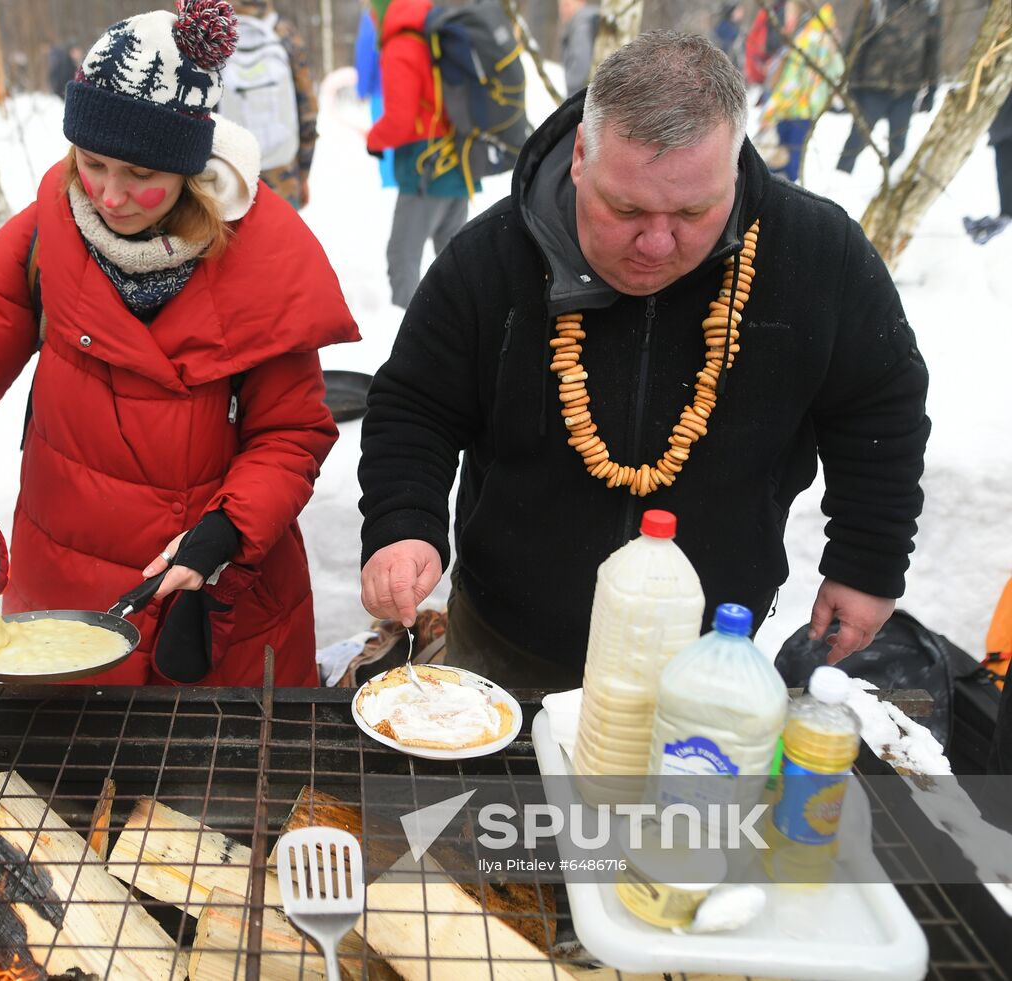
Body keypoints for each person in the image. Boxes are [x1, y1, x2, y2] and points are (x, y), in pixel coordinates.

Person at [357, 31, 930, 688]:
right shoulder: (489, 257)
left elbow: (880, 408)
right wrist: (404, 523)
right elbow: (415, 405)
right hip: (505, 647)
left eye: (693, 210)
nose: (657, 244)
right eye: (625, 208)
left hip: (709, 659)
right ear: (579, 157)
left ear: (736, 163)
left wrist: (868, 563)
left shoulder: (818, 256)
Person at [0, 2, 359, 687]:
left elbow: (291, 435)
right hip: (68, 577)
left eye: (141, 174)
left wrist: (226, 532)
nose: (110, 196)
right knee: (67, 783)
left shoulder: (261, 257)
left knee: (216, 785)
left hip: (213, 585)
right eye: (93, 162)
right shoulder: (50, 220)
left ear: (189, 168)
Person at [367, 0, 476, 308]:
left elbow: (400, 121)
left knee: (402, 256)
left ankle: (412, 340)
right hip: (456, 159)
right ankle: (463, 333)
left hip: (425, 165)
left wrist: (375, 139)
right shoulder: (433, 34)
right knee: (455, 256)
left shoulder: (402, 46)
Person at [227, 1, 318, 209]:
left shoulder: (207, 34)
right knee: (283, 240)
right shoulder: (283, 32)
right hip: (283, 178)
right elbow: (308, 110)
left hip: (227, 180)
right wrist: (302, 173)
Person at [835, 0, 941, 174]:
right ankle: (837, 181)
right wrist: (851, 82)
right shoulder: (877, 4)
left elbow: (933, 51)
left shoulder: (928, 7)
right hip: (873, 85)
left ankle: (889, 192)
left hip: (908, 89)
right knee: (857, 138)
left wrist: (932, 89)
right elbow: (857, 43)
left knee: (898, 145)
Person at [757, 3, 844, 182]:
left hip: (789, 106)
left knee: (780, 156)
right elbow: (838, 70)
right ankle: (779, 195)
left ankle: (770, 197)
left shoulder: (805, 37)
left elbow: (790, 79)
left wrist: (771, 108)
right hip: (806, 108)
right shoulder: (823, 35)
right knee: (790, 157)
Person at [355, 5, 396, 188]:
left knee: (385, 139)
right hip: (406, 87)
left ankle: (389, 182)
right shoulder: (403, 10)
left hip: (381, 90)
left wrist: (362, 88)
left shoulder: (372, 16)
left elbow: (365, 53)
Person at [964, 92, 1012, 245]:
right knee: (1006, 175)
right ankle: (1004, 216)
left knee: (1006, 175)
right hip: (1003, 131)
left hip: (1003, 130)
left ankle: (1004, 216)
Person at [559, 0, 601, 98]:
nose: (563, 10)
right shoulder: (587, 21)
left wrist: (572, 98)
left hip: (582, 95)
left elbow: (580, 65)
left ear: (581, 3)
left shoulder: (581, 26)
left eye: (567, 5)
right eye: (561, 6)